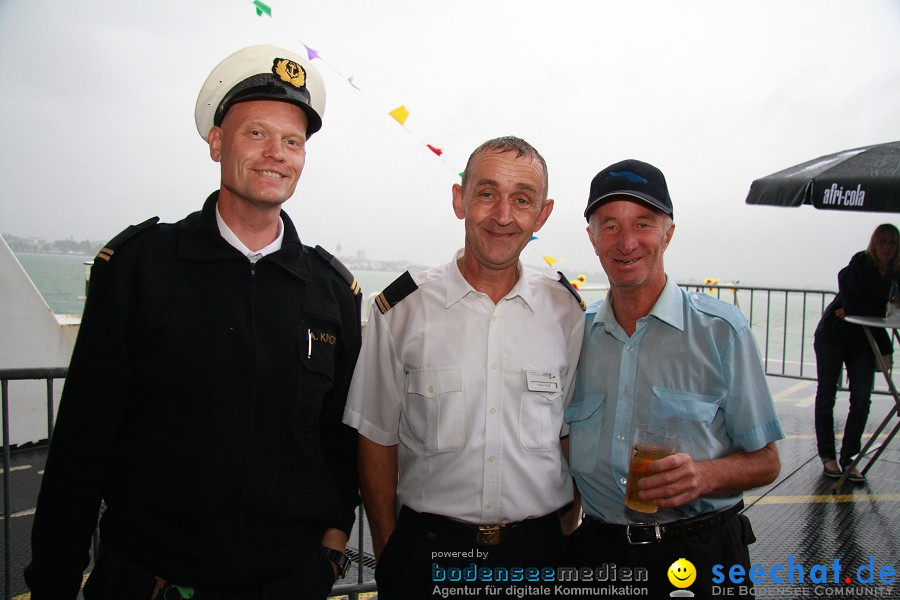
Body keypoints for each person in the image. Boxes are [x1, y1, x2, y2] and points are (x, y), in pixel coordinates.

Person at [25, 45, 362, 599]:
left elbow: (339, 440)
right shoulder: (141, 268)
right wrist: (53, 583)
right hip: (152, 583)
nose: (276, 153)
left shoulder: (330, 291)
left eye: (293, 141)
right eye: (256, 133)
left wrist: (330, 549)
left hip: (289, 585)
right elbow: (83, 444)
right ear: (216, 143)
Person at [342, 136, 585, 599]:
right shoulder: (403, 309)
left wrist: (564, 534)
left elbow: (570, 430)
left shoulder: (565, 312)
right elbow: (375, 436)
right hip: (430, 554)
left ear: (543, 214)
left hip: (537, 555)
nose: (503, 216)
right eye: (487, 193)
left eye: (522, 200)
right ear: (460, 200)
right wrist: (391, 548)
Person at [564, 159, 784, 599]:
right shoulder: (573, 335)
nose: (626, 242)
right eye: (609, 226)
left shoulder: (721, 331)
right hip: (597, 556)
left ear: (669, 232)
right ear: (591, 237)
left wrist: (704, 475)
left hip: (700, 555)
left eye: (643, 223)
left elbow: (768, 461)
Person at [814, 224, 899, 483]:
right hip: (833, 335)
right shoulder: (861, 262)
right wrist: (854, 306)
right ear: (874, 243)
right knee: (827, 394)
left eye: (892, 242)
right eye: (882, 241)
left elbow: (863, 305)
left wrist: (856, 306)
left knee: (862, 398)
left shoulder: (896, 273)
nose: (886, 247)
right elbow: (848, 292)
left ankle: (849, 456)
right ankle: (827, 455)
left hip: (864, 339)